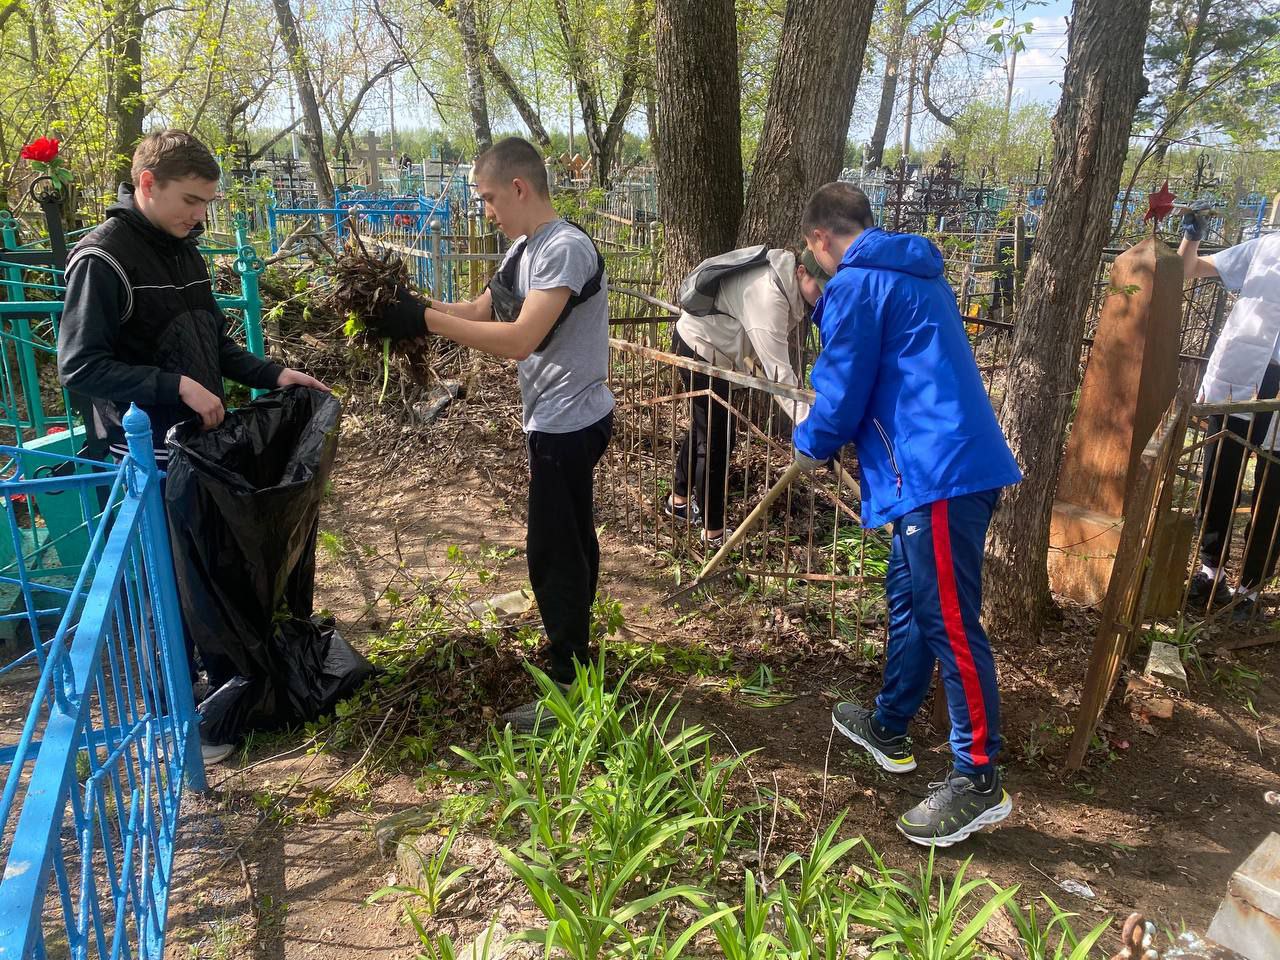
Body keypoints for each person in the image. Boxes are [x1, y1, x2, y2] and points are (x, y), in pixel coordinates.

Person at [57, 129, 329, 763]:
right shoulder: (104, 260)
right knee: (167, 590)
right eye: (191, 200)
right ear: (146, 185)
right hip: (141, 456)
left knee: (207, 581)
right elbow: (81, 366)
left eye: (207, 203)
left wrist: (273, 374)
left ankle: (214, 702)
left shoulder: (185, 251)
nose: (200, 215)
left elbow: (215, 342)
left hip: (196, 451)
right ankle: (176, 721)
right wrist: (172, 385)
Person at [792, 182, 1022, 847]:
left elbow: (840, 392)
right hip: (931, 472)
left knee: (949, 620)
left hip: (938, 475)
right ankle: (889, 724)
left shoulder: (859, 284)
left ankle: (978, 779)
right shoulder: (909, 274)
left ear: (818, 239)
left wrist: (809, 443)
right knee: (912, 599)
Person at [367, 136, 613, 732]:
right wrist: (408, 304)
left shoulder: (565, 249)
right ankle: (578, 654)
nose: (486, 211)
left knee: (553, 552)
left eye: (487, 198)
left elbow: (519, 339)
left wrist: (423, 321)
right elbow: (481, 311)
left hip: (570, 422)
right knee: (570, 540)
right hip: (554, 420)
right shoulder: (524, 251)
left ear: (519, 188)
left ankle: (568, 686)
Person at [666, 247, 828, 546]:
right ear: (801, 272)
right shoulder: (768, 296)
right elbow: (780, 376)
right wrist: (815, 430)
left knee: (706, 431)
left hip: (715, 353)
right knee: (717, 441)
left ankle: (677, 501)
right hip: (700, 352)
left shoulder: (783, 280)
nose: (822, 295)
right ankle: (712, 531)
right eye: (819, 287)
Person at [1179, 203, 1280, 622]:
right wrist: (1193, 232)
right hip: (1240, 373)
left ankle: (1250, 589)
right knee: (1220, 472)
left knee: (1272, 490)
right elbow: (1190, 269)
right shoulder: (1264, 248)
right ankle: (1209, 571)